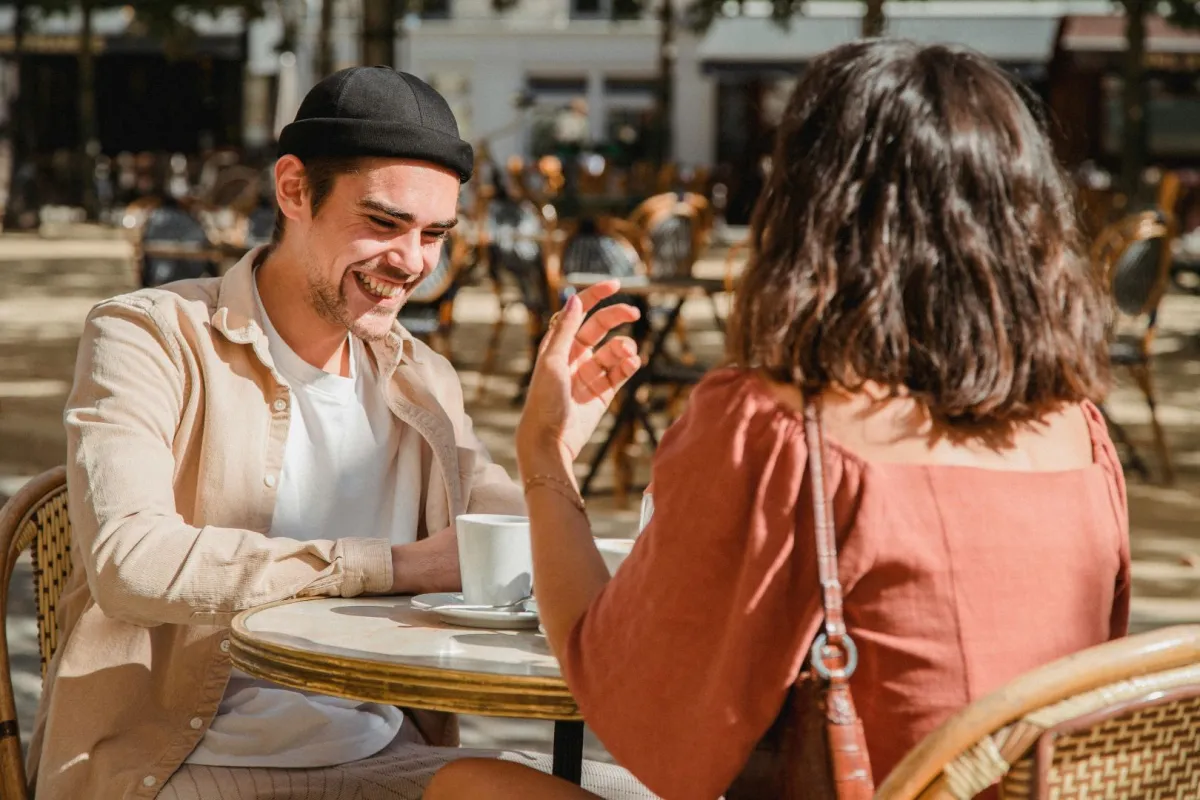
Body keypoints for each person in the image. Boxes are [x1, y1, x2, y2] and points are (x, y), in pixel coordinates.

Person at [426, 40, 1131, 799]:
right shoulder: (1080, 435)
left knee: (467, 783)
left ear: (809, 207)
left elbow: (643, 723)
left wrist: (545, 455)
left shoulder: (775, 428)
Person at [27, 67, 644, 800]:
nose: (413, 262)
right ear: (293, 190)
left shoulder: (421, 376)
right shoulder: (149, 336)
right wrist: (393, 565)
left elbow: (508, 544)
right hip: (173, 766)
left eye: (435, 234)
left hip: (383, 755)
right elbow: (132, 562)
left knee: (645, 791)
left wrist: (552, 454)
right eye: (383, 223)